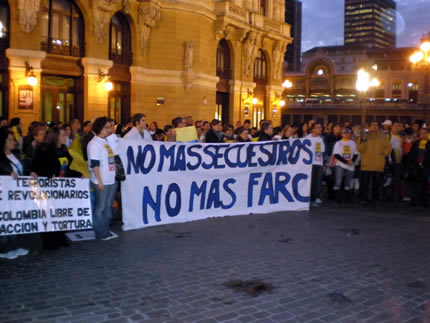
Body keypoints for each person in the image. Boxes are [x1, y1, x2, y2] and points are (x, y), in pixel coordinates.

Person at [31, 126, 82, 249]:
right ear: (55, 137)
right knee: (49, 213)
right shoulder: (44, 149)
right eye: (63, 135)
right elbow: (36, 167)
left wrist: (78, 175)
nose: (66, 137)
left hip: (61, 188)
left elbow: (65, 169)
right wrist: (49, 175)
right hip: (47, 188)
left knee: (61, 213)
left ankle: (60, 237)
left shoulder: (64, 149)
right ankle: (49, 241)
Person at [0, 130, 30, 259]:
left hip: (16, 193)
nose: (14, 142)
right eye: (10, 140)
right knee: (5, 220)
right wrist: (7, 174)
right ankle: (4, 248)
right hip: (4, 195)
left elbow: (22, 169)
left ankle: (14, 245)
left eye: (13, 139)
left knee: (14, 219)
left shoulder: (15, 155)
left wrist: (31, 173)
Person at [87, 117, 118, 240]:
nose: (109, 130)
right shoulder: (94, 144)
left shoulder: (105, 141)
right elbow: (95, 164)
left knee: (107, 207)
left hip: (110, 179)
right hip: (102, 181)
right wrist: (99, 181)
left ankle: (105, 230)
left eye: (111, 127)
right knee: (100, 208)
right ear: (99, 128)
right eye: (107, 127)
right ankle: (100, 233)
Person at [356, 121, 392, 206]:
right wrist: (363, 140)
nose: (374, 127)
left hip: (378, 164)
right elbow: (360, 149)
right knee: (364, 183)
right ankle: (363, 199)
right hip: (366, 164)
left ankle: (376, 199)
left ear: (379, 127)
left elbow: (389, 148)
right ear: (369, 127)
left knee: (377, 184)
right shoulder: (364, 136)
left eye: (376, 125)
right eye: (373, 125)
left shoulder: (383, 137)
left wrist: (384, 153)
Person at [332, 128, 358, 205]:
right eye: (344, 133)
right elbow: (336, 154)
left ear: (350, 134)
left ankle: (347, 198)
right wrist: (346, 162)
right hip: (340, 165)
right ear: (342, 134)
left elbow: (356, 154)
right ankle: (337, 199)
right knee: (338, 182)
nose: (346, 134)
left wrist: (352, 161)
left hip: (350, 166)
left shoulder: (353, 143)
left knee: (348, 183)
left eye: (348, 133)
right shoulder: (338, 143)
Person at [408, 127, 430, 207]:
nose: (422, 135)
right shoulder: (415, 143)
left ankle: (424, 201)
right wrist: (416, 160)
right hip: (416, 166)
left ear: (427, 134)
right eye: (421, 133)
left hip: (426, 167)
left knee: (425, 185)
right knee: (414, 184)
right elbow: (411, 154)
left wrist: (425, 161)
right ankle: (414, 200)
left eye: (424, 133)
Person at [307, 122, 325, 207]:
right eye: (318, 127)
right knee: (310, 183)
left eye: (320, 127)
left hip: (319, 163)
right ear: (313, 129)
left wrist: (323, 164)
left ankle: (314, 198)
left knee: (317, 183)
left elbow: (322, 152)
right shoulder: (307, 138)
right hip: (310, 164)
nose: (320, 129)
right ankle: (309, 199)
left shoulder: (320, 139)